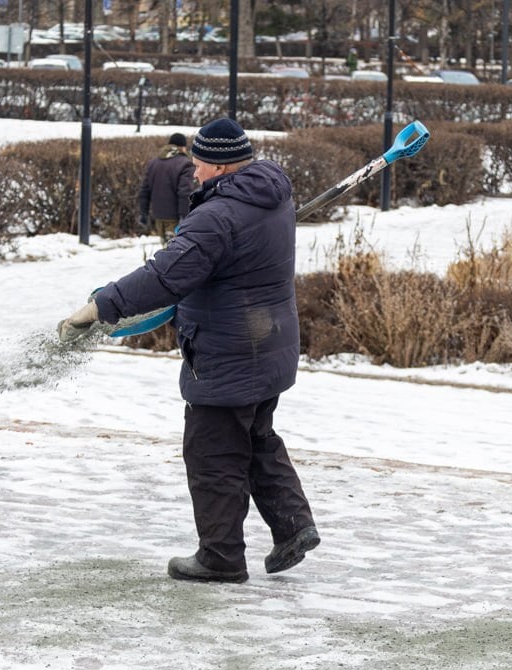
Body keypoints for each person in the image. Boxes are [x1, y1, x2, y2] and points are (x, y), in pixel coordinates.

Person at [57, 118, 319, 584]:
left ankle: (220, 558)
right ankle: (294, 527)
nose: (193, 174)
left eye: (198, 166)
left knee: (213, 456)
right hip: (268, 345)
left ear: (219, 167)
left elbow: (163, 277)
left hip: (229, 353)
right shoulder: (271, 195)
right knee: (257, 438)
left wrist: (99, 307)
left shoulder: (217, 217)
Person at [138, 132, 195, 245]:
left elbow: (144, 190)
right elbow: (184, 193)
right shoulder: (185, 164)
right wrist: (184, 216)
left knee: (166, 249)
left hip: (159, 216)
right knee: (177, 251)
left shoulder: (153, 163)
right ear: (182, 147)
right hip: (175, 218)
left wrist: (143, 213)